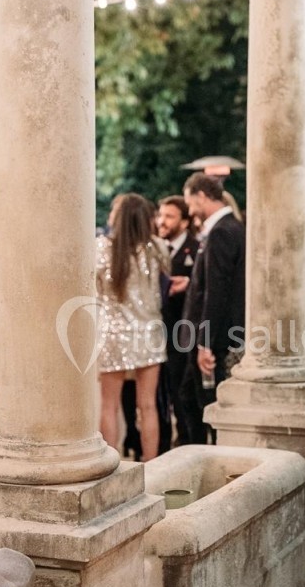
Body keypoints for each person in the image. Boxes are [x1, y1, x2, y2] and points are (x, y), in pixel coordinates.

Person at [96, 194, 169, 460]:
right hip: (149, 332)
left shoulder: (103, 248)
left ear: (119, 216)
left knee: (109, 406)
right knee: (147, 406)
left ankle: (109, 467)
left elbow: (93, 288)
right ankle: (151, 466)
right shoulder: (157, 248)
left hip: (114, 332)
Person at [177, 173, 245, 445]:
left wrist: (204, 344)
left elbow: (217, 292)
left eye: (190, 203)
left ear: (201, 196)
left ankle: (205, 456)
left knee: (204, 403)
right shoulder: (232, 227)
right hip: (216, 334)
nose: (190, 210)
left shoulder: (220, 232)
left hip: (214, 338)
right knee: (192, 397)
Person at [155, 195, 197, 449]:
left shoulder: (195, 248)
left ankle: (186, 443)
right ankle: (161, 446)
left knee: (183, 395)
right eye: (161, 215)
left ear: (184, 222)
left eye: (169, 216)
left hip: (183, 334)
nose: (162, 221)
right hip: (156, 334)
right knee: (161, 396)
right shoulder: (155, 250)